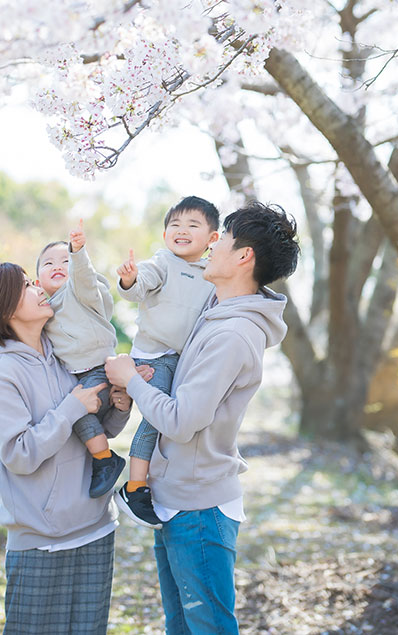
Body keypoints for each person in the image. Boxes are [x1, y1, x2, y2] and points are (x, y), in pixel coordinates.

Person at [106, 201, 300, 635]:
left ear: (243, 256)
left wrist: (129, 381)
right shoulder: (215, 313)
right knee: (182, 627)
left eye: (223, 239)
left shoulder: (232, 333)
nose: (212, 246)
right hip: (175, 500)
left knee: (208, 628)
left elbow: (181, 420)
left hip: (200, 507)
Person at [0, 261, 131, 635]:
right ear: (5, 308)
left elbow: (93, 433)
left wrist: (120, 407)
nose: (39, 286)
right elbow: (20, 455)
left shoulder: (64, 357)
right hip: (40, 542)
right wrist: (72, 406)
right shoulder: (3, 375)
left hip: (96, 529)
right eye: (26, 285)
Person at [114, 195, 220, 528]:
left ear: (212, 239)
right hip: (154, 356)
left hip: (181, 360)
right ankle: (134, 489)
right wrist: (130, 278)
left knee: (178, 421)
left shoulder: (210, 275)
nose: (181, 230)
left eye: (192, 225)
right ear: (164, 235)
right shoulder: (162, 263)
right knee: (158, 419)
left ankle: (158, 479)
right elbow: (139, 286)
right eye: (174, 225)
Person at [36, 219, 125, 498]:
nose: (58, 266)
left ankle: (105, 460)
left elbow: (85, 279)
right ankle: (102, 451)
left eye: (64, 261)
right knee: (77, 413)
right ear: (37, 282)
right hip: (78, 375)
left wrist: (78, 253)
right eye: (48, 264)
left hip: (99, 368)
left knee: (76, 413)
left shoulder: (79, 293)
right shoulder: (43, 311)